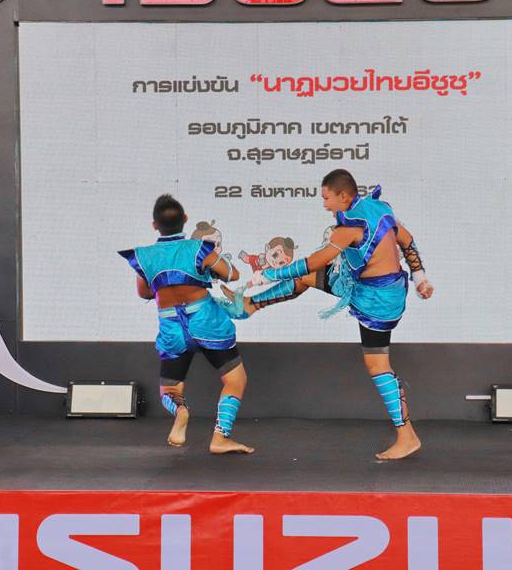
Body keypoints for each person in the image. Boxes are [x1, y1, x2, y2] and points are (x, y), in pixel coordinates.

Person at [224, 169, 434, 460]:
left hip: (375, 301)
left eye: (326, 198)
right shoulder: (378, 208)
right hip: (386, 290)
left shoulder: (349, 229)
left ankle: (407, 436)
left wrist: (267, 275)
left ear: (343, 196)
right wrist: (420, 277)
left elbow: (313, 261)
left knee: (378, 365)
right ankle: (250, 305)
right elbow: (407, 241)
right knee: (307, 279)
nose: (324, 204)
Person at [119, 195, 254, 454]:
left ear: (154, 225)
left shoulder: (144, 257)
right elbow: (232, 274)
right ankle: (220, 438)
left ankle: (181, 411)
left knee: (170, 389)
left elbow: (144, 293)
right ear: (185, 220)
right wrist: (206, 271)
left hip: (172, 326)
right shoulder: (198, 248)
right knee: (235, 379)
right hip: (206, 321)